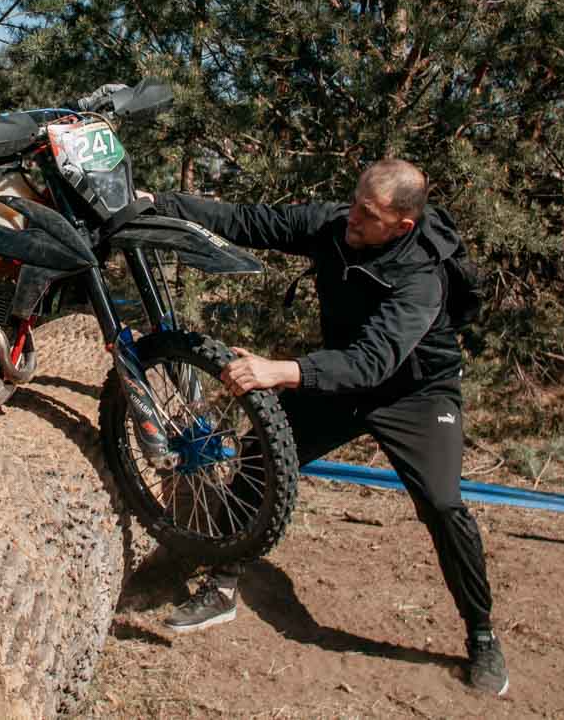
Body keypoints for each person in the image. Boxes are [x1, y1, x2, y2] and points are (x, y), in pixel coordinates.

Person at [152, 158, 509, 697]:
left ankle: (481, 634)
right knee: (260, 455)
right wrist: (160, 205)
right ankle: (223, 583)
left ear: (401, 225)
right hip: (343, 379)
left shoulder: (422, 278)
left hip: (416, 394)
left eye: (368, 215)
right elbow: (248, 221)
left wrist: (282, 371)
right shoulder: (335, 224)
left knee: (442, 504)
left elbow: (373, 362)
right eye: (354, 204)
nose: (352, 221)